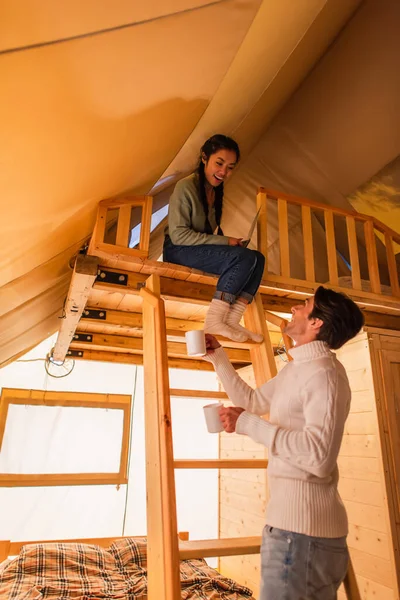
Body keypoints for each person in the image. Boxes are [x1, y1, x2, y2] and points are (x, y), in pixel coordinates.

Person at [204, 286, 365, 600]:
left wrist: (248, 425)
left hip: (304, 536)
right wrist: (218, 357)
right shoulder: (298, 368)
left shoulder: (325, 376)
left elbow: (318, 457)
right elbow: (251, 400)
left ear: (316, 322)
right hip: (291, 532)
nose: (294, 309)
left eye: (304, 305)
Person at [163, 134, 265, 343]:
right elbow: (179, 235)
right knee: (243, 258)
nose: (223, 172)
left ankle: (233, 319)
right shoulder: (185, 187)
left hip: (195, 248)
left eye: (230, 167)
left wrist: (227, 242)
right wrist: (226, 241)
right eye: (219, 163)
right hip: (177, 249)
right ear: (204, 158)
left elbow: (207, 234)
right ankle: (215, 319)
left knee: (258, 258)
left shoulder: (214, 191)